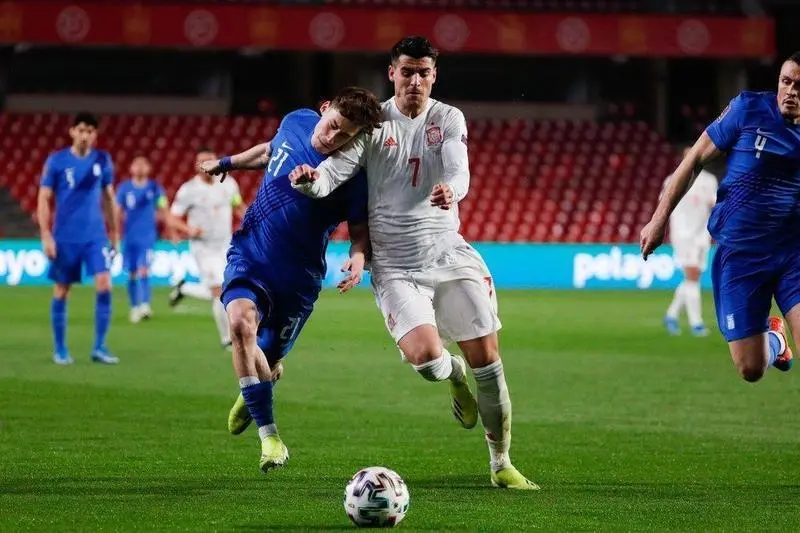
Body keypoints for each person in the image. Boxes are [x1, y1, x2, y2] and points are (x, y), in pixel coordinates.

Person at [289, 36, 537, 490]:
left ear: (434, 76)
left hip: (449, 253)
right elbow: (334, 172)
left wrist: (453, 191)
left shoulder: (448, 118)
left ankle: (501, 463)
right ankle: (451, 374)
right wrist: (310, 181)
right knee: (424, 358)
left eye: (424, 72)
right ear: (392, 73)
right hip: (397, 265)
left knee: (490, 363)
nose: (415, 81)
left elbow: (458, 167)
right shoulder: (373, 122)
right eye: (407, 72)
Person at [200, 86, 382, 473]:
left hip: (297, 280)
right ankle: (270, 437)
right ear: (324, 108)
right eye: (333, 126)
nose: (333, 138)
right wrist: (228, 162)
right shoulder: (296, 120)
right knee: (239, 325)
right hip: (250, 253)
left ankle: (255, 385)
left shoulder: (351, 175)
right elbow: (268, 151)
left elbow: (360, 228)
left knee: (269, 359)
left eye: (346, 136)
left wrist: (357, 257)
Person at [641, 51, 800, 382]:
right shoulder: (749, 109)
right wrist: (658, 219)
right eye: (786, 82)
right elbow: (697, 157)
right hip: (742, 254)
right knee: (750, 368)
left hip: (793, 254)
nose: (790, 91)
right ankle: (776, 341)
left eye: (799, 86)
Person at [37, 111, 119, 365]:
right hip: (65, 237)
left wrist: (115, 235)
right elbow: (43, 198)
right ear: (72, 131)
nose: (85, 135)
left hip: (95, 236)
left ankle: (99, 347)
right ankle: (60, 349)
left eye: (90, 131)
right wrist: (46, 234)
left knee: (105, 284)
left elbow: (108, 199)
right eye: (81, 130)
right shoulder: (57, 161)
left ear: (95, 135)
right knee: (62, 290)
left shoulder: (103, 160)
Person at [169, 147, 246, 349]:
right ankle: (227, 339)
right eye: (202, 161)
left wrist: (249, 222)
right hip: (203, 248)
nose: (207, 164)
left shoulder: (228, 184)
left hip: (226, 244)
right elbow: (173, 217)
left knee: (229, 287)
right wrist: (187, 228)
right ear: (197, 166)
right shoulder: (188, 190)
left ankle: (183, 288)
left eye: (211, 160)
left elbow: (238, 206)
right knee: (219, 290)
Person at [116, 155, 201, 323]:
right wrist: (115, 235)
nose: (140, 167)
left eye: (143, 164)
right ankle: (134, 307)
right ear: (131, 168)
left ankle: (145, 306)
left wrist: (172, 233)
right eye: (137, 164)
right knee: (132, 274)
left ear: (148, 169)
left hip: (147, 237)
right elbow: (117, 212)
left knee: (144, 270)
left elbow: (164, 211)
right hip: (129, 238)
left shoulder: (155, 189)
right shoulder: (124, 189)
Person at [662, 149, 717, 336]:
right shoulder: (673, 179)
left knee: (692, 278)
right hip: (683, 235)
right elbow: (664, 206)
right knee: (692, 276)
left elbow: (714, 205)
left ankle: (671, 314)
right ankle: (696, 323)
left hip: (702, 236)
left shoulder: (709, 181)